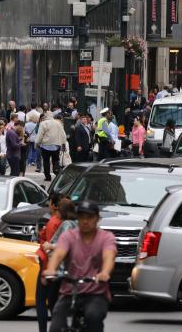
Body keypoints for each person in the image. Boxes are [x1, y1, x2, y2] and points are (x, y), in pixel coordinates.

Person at [44, 201, 116, 332]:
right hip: (69, 292)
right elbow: (59, 253)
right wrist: (51, 269)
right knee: (56, 326)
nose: (85, 221)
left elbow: (109, 256)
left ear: (98, 219)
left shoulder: (106, 237)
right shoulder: (69, 236)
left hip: (96, 293)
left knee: (93, 316)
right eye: (82, 217)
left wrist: (105, 272)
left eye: (90, 217)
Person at [35, 193, 65, 332]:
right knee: (54, 302)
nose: (48, 206)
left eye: (49, 203)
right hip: (60, 266)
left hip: (49, 265)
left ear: (54, 206)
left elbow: (50, 250)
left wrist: (45, 272)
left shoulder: (53, 222)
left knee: (41, 300)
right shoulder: (67, 222)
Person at [36, 112, 67, 182]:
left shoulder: (43, 123)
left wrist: (36, 142)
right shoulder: (58, 123)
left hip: (45, 145)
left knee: (46, 161)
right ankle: (57, 173)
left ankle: (48, 176)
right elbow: (63, 134)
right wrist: (63, 143)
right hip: (56, 145)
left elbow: (40, 134)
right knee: (56, 161)